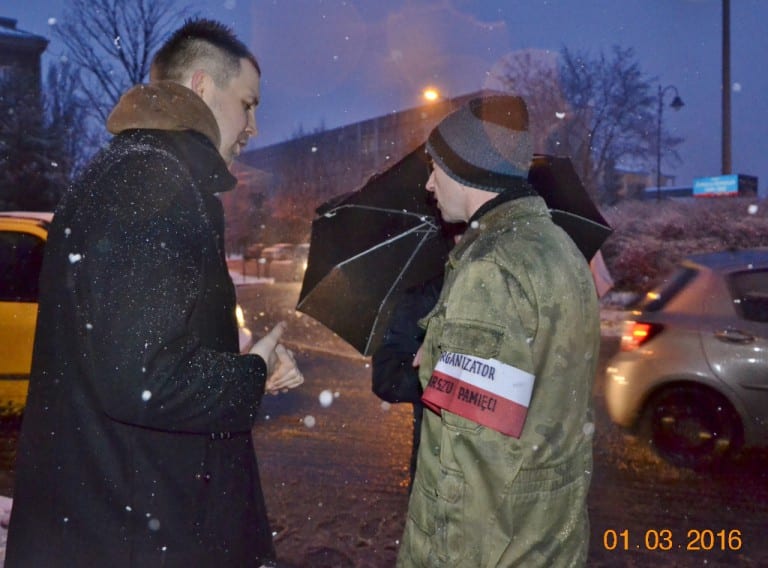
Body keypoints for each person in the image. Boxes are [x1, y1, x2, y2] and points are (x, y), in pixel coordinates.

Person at [6, 19, 303, 567]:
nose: (253, 126)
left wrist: (233, 360)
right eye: (247, 104)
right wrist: (252, 372)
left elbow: (130, 356)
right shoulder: (150, 182)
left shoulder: (132, 172)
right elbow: (144, 379)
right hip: (139, 534)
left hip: (118, 523)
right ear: (201, 86)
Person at [397, 93, 600, 567]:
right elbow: (535, 394)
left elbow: (468, 474)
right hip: (544, 537)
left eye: (435, 168)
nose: (429, 183)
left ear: (465, 168)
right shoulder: (560, 248)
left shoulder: (490, 269)